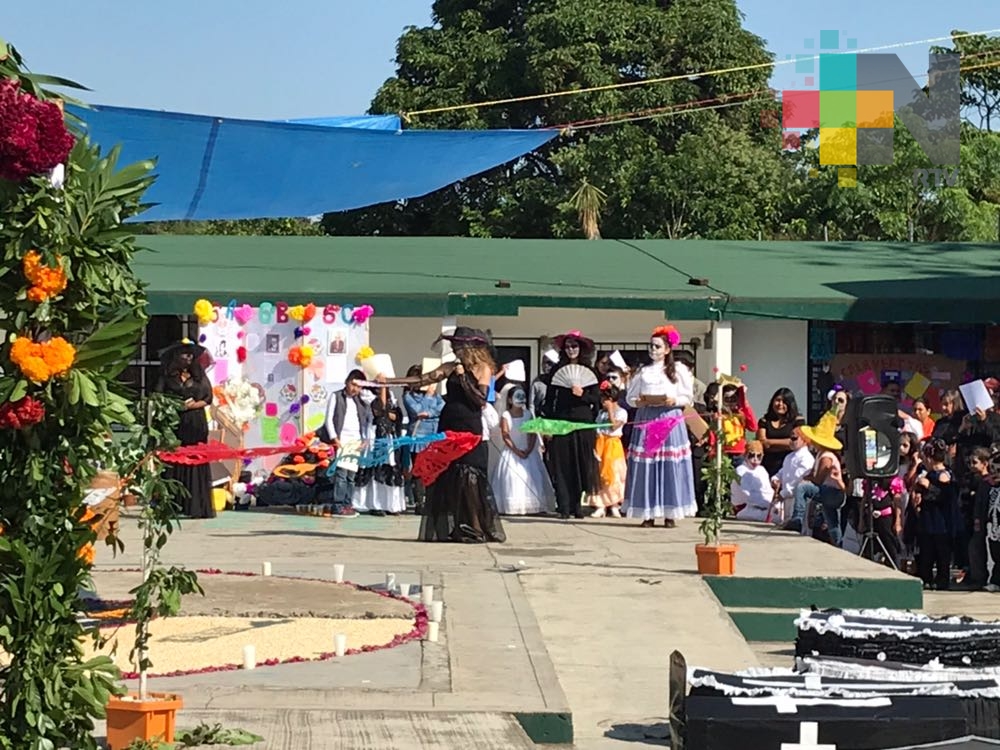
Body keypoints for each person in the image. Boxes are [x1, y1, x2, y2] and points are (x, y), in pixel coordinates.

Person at [419, 327, 506, 543]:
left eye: (459, 345)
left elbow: (480, 400)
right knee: (450, 477)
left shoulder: (482, 368)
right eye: (454, 345)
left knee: (470, 478)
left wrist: (463, 377)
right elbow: (423, 380)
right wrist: (384, 382)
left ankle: (475, 528)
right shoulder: (450, 367)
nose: (455, 349)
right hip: (449, 423)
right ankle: (457, 527)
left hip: (470, 428)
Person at [623, 325, 697, 528]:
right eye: (651, 346)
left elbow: (688, 396)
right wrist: (640, 402)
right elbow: (630, 398)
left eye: (657, 346)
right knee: (648, 465)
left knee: (668, 465)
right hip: (647, 417)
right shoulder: (643, 372)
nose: (653, 350)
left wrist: (675, 400)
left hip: (668, 418)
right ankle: (647, 512)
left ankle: (669, 513)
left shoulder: (678, 370)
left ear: (667, 349)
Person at [543, 330, 601, 520]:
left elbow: (596, 401)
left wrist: (582, 395)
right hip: (561, 421)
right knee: (562, 464)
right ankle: (564, 505)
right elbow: (549, 400)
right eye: (567, 346)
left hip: (583, 423)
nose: (571, 350)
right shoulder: (556, 370)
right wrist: (549, 425)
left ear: (581, 348)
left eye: (574, 346)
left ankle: (577, 505)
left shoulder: (590, 372)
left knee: (581, 464)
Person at [155, 339, 215, 519]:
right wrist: (173, 405)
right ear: (176, 356)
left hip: (195, 422)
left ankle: (196, 506)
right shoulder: (167, 376)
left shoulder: (199, 376)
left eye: (191, 354)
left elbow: (208, 397)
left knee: (195, 460)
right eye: (184, 353)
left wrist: (195, 404)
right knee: (175, 460)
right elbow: (158, 397)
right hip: (175, 423)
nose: (188, 357)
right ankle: (174, 505)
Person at [491, 386, 555, 515]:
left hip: (528, 451)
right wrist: (516, 450)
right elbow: (505, 434)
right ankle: (511, 507)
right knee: (511, 478)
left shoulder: (528, 414)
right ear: (509, 400)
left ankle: (534, 507)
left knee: (533, 476)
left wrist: (529, 448)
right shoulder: (506, 415)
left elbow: (532, 433)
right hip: (512, 451)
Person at [790, 411, 846, 546]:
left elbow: (818, 479)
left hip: (833, 492)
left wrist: (807, 478)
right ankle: (838, 543)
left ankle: (797, 518)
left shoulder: (826, 456)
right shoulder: (822, 454)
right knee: (831, 519)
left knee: (802, 487)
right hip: (832, 493)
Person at [911, 439, 960, 591]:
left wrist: (929, 487)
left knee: (941, 553)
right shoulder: (928, 474)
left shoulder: (945, 475)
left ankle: (942, 580)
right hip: (927, 518)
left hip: (941, 521)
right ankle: (925, 578)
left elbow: (945, 496)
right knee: (926, 552)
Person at [353, 376, 406, 516]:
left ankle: (391, 505)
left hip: (388, 435)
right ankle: (375, 504)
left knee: (389, 467)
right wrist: (382, 387)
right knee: (376, 468)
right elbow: (380, 410)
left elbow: (394, 413)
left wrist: (394, 415)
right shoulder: (367, 395)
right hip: (373, 435)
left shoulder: (391, 395)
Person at [321, 369, 371, 518]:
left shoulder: (361, 401)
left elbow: (367, 421)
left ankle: (348, 504)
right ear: (347, 382)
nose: (355, 388)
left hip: (356, 440)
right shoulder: (336, 396)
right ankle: (338, 505)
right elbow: (329, 419)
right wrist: (335, 438)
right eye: (353, 384)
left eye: (359, 386)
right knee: (341, 474)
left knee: (351, 476)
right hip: (343, 440)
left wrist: (365, 439)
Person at [402, 365, 445, 515]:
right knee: (419, 469)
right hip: (419, 435)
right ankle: (420, 502)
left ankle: (432, 500)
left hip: (434, 434)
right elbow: (418, 411)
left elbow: (442, 407)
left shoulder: (435, 396)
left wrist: (431, 413)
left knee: (433, 469)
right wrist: (427, 396)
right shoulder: (408, 396)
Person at [587, 383, 628, 518]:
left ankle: (615, 504)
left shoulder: (622, 412)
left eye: (605, 399)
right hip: (601, 445)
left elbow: (614, 427)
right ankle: (601, 505)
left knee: (614, 475)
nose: (602, 402)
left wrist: (611, 410)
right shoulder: (600, 413)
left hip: (613, 445)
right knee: (600, 476)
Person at [757, 388, 805, 477]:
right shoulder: (764, 421)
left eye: (784, 402)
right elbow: (762, 443)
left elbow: (797, 443)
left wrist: (770, 443)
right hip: (768, 465)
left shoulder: (798, 420)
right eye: (778, 400)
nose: (780, 404)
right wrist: (787, 444)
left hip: (790, 466)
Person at [772, 429, 815, 525]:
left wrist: (783, 493)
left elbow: (799, 479)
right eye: (790, 438)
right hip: (787, 499)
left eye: (794, 438)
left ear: (804, 440)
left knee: (799, 525)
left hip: (798, 499)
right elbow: (783, 472)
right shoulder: (789, 457)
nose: (791, 441)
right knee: (786, 522)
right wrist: (775, 479)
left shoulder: (807, 458)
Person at [730, 440, 773, 522]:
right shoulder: (740, 471)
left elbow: (768, 490)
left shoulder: (762, 470)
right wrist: (766, 504)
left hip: (764, 506)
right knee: (772, 517)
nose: (755, 459)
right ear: (745, 455)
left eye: (759, 456)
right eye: (751, 455)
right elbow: (746, 494)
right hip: (745, 509)